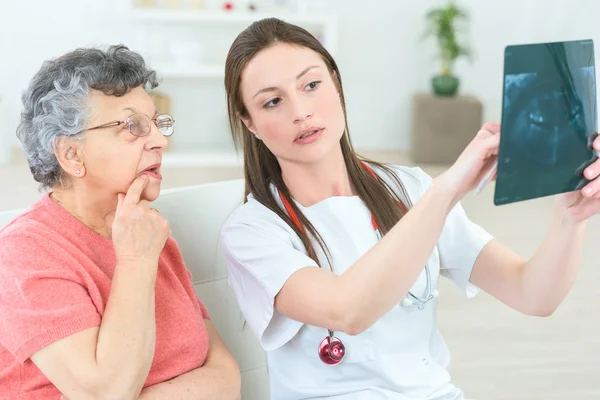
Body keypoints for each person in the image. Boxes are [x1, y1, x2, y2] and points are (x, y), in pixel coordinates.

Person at [219, 18, 600, 400]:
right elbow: (347, 311)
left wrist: (571, 214)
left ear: (335, 81)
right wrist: (447, 189)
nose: (300, 111)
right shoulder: (252, 230)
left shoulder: (410, 188)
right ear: (248, 122)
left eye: (311, 85)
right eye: (273, 101)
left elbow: (532, 294)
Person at [0, 45, 241, 399]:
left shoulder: (148, 233)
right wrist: (135, 261)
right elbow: (107, 392)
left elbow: (227, 378)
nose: (160, 141)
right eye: (133, 126)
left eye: (157, 124)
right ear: (71, 154)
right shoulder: (23, 252)